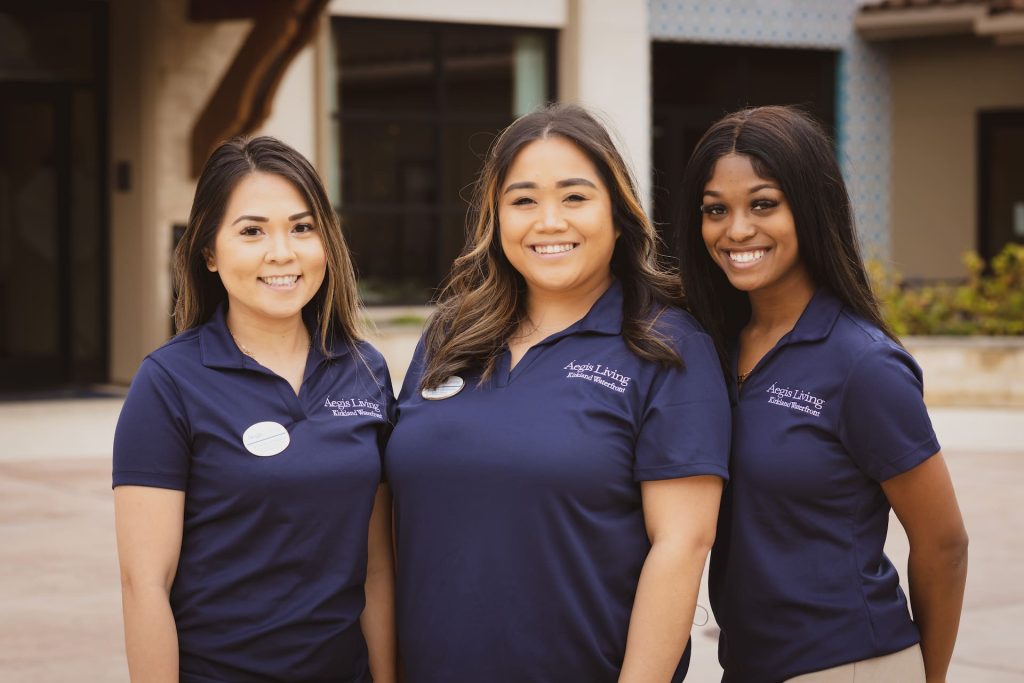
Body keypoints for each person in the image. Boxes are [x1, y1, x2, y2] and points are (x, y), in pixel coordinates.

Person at [384, 104, 731, 682]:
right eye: (523, 200)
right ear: (495, 218)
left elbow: (683, 545)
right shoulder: (451, 332)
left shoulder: (666, 344)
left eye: (574, 198)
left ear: (618, 214)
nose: (549, 222)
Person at [677, 105, 969, 683]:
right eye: (716, 210)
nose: (736, 230)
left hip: (850, 665)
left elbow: (944, 543)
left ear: (810, 208)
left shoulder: (863, 364)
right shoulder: (713, 345)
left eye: (763, 204)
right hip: (747, 665)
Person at [113, 136, 397, 683]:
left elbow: (378, 569)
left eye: (302, 227)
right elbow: (144, 584)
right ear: (210, 253)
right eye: (252, 231)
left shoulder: (365, 370)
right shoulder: (169, 382)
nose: (282, 253)